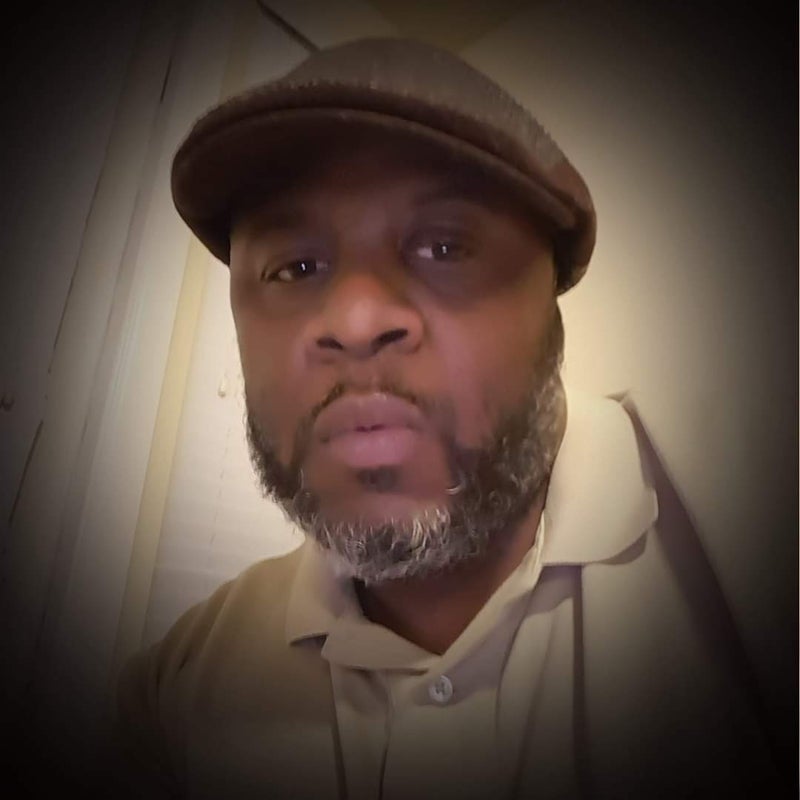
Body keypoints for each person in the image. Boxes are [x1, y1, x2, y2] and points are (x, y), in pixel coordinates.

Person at [114, 37, 785, 799]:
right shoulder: (176, 697)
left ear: (552, 296)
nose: (357, 321)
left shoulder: (761, 535)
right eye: (295, 267)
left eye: (443, 245)